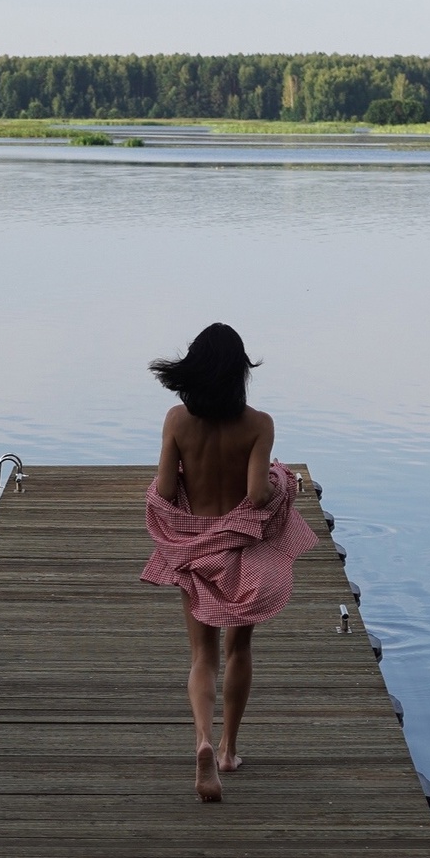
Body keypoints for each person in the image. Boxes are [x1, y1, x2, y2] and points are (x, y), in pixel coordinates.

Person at [141, 323, 317, 801]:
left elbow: (164, 490)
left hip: (196, 550)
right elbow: (258, 495)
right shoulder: (259, 424)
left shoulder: (177, 420)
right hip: (243, 552)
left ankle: (201, 738)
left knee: (203, 656)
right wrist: (281, 480)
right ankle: (227, 751)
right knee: (239, 650)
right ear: (240, 373)